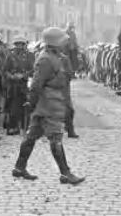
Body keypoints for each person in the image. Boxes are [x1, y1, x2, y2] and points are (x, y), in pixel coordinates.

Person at [12, 27, 85, 185]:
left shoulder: (56, 56)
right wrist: (31, 103)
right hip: (49, 104)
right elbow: (37, 84)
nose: (64, 44)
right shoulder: (45, 59)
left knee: (31, 136)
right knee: (56, 138)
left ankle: (19, 167)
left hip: (52, 102)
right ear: (54, 42)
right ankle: (65, 173)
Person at [2, 36, 34, 135]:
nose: (19, 46)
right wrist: (11, 76)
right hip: (13, 85)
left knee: (27, 105)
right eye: (17, 44)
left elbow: (33, 69)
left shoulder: (30, 56)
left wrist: (24, 75)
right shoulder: (10, 56)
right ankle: (13, 126)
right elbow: (5, 70)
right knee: (13, 106)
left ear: (24, 45)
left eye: (21, 44)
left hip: (25, 84)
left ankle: (26, 126)